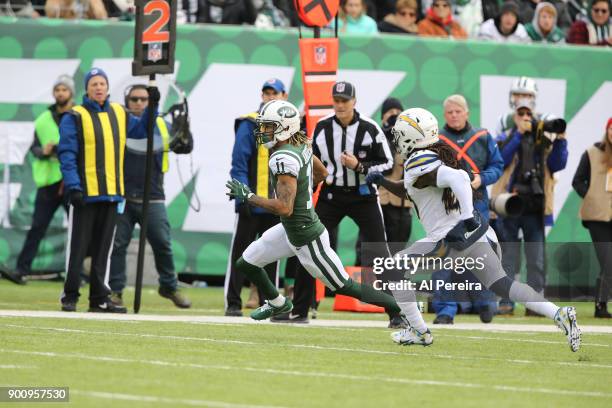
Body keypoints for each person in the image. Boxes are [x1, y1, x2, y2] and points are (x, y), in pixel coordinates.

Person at [368, 107, 580, 352]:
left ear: (411, 136)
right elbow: (416, 189)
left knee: (393, 269)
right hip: (475, 234)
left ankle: (418, 330)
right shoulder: (435, 153)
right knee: (502, 284)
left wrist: (467, 215)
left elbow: (458, 179)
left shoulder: (417, 160)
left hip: (448, 238)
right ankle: (559, 313)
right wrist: (383, 182)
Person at [225, 99, 403, 322]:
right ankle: (279, 303)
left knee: (344, 285)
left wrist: (249, 196)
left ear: (285, 127)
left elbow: (284, 208)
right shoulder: (300, 144)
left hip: (307, 235)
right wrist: (304, 189)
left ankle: (398, 307)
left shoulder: (283, 157)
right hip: (290, 230)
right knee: (246, 262)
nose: (263, 131)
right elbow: (322, 173)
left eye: (269, 126)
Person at [274, 82, 402, 326]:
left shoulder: (369, 128)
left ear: (354, 101)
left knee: (380, 253)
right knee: (308, 247)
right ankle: (300, 311)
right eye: (337, 100)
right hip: (331, 195)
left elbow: (387, 163)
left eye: (345, 100)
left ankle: (396, 313)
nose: (340, 105)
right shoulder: (322, 127)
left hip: (364, 195)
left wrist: (359, 167)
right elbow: (309, 160)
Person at [57, 67, 156, 313]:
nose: (99, 87)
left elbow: (141, 130)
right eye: (94, 84)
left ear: (108, 87)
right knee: (78, 248)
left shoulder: (119, 113)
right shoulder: (75, 116)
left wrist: (152, 106)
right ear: (87, 89)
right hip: (85, 193)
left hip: (112, 193)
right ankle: (70, 295)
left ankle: (99, 298)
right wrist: (73, 186)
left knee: (104, 250)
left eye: (102, 83)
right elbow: (67, 154)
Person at [108, 84, 192, 310]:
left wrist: (185, 125)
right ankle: (115, 291)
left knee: (163, 244)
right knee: (117, 246)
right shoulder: (121, 124)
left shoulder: (163, 125)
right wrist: (153, 109)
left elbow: (184, 147)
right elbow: (141, 128)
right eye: (134, 99)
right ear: (127, 102)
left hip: (153, 196)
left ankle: (169, 286)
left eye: (144, 99)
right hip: (123, 197)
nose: (139, 103)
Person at [430, 94, 504, 325]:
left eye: (458, 111)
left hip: (477, 207)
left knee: (481, 258)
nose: (454, 115)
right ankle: (445, 310)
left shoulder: (482, 137)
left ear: (467, 112)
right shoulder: (436, 140)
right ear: (444, 115)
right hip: (446, 210)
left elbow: (497, 166)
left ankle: (486, 303)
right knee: (443, 260)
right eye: (450, 112)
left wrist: (480, 180)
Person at [491, 98, 568, 316]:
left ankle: (536, 306)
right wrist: (518, 134)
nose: (525, 118)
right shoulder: (505, 137)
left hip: (535, 205)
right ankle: (506, 301)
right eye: (521, 115)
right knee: (509, 255)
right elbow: (502, 160)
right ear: (515, 117)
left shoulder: (542, 139)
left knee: (536, 257)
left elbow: (557, 164)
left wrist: (561, 139)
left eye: (528, 115)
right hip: (510, 203)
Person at [0, 75, 75, 285]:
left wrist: (59, 149)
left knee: (79, 229)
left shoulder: (79, 115)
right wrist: (43, 151)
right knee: (37, 227)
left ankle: (81, 272)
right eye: (57, 89)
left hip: (71, 181)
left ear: (71, 93)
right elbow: (33, 148)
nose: (60, 93)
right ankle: (21, 270)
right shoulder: (43, 119)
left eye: (64, 89)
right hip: (50, 182)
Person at [224, 78, 287, 317]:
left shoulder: (289, 124)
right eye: (267, 93)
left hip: (276, 206)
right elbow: (238, 162)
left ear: (284, 95)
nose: (270, 96)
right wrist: (243, 199)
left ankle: (270, 303)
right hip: (251, 203)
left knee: (272, 258)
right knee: (241, 255)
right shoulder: (250, 123)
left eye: (275, 93)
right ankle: (232, 302)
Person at [572, 118, 612, 318]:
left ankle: (601, 305)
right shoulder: (592, 152)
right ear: (607, 130)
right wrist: (591, 196)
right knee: (608, 261)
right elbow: (577, 180)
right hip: (597, 217)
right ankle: (600, 306)